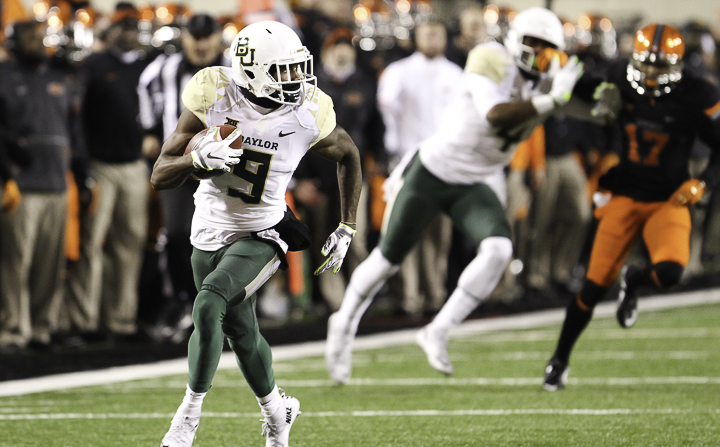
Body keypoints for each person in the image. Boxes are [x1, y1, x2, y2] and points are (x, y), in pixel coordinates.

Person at [325, 7, 584, 382]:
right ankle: (343, 322)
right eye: (535, 45)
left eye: (548, 50)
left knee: (499, 250)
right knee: (388, 259)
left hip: (475, 182)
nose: (540, 56)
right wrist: (554, 99)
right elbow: (496, 114)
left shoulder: (549, 82)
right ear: (517, 40)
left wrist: (601, 103)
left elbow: (590, 104)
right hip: (434, 170)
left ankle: (438, 330)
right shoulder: (491, 57)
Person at [151, 21, 362, 446]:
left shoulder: (306, 112)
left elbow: (349, 154)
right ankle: (277, 412)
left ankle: (186, 419)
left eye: (298, 68)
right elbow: (160, 173)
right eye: (284, 71)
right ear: (251, 70)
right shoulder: (213, 93)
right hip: (208, 231)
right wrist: (198, 161)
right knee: (242, 334)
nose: (298, 80)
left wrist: (347, 224)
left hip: (265, 231)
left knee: (209, 305)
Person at [543, 24, 720, 391]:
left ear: (677, 64)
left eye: (660, 65)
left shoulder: (698, 93)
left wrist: (702, 183)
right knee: (591, 289)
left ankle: (634, 280)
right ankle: (558, 360)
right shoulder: (618, 75)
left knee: (671, 273)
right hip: (624, 194)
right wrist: (561, 68)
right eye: (646, 63)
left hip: (667, 198)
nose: (652, 71)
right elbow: (573, 85)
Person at [65, 3, 155, 341]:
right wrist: (83, 163)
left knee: (129, 245)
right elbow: (78, 117)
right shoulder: (94, 64)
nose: (128, 33)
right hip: (101, 164)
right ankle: (84, 322)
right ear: (110, 30)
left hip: (134, 165)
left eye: (133, 27)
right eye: (123, 26)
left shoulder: (149, 66)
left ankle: (121, 320)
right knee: (91, 244)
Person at [0, 20, 89, 350]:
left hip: (56, 183)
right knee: (14, 264)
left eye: (41, 37)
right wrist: (7, 160)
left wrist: (83, 174)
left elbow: (73, 131)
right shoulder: (3, 76)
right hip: (19, 184)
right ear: (12, 42)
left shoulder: (57, 78)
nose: (39, 43)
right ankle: (11, 329)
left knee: (50, 264)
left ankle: (41, 327)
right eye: (30, 38)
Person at [137, 14, 229, 333]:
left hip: (227, 167)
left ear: (219, 37)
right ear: (185, 38)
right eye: (195, 36)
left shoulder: (237, 70)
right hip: (182, 164)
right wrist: (149, 130)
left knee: (228, 236)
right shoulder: (162, 70)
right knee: (177, 234)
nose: (201, 43)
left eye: (207, 36)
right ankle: (189, 301)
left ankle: (228, 306)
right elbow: (146, 95)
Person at [292, 27, 385, 311]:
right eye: (337, 45)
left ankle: (359, 298)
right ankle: (336, 301)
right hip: (320, 176)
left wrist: (378, 158)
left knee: (354, 239)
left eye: (347, 45)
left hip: (354, 174)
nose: (343, 50)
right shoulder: (309, 86)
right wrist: (302, 179)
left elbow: (375, 127)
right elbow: (296, 134)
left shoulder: (364, 82)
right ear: (327, 51)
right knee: (323, 240)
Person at [377, 19, 463, 317]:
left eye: (438, 33)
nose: (432, 39)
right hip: (408, 161)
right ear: (416, 38)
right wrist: (392, 152)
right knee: (405, 229)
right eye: (427, 34)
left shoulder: (456, 74)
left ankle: (435, 293)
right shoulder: (399, 72)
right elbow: (387, 113)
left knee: (439, 234)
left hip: (443, 162)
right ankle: (408, 296)